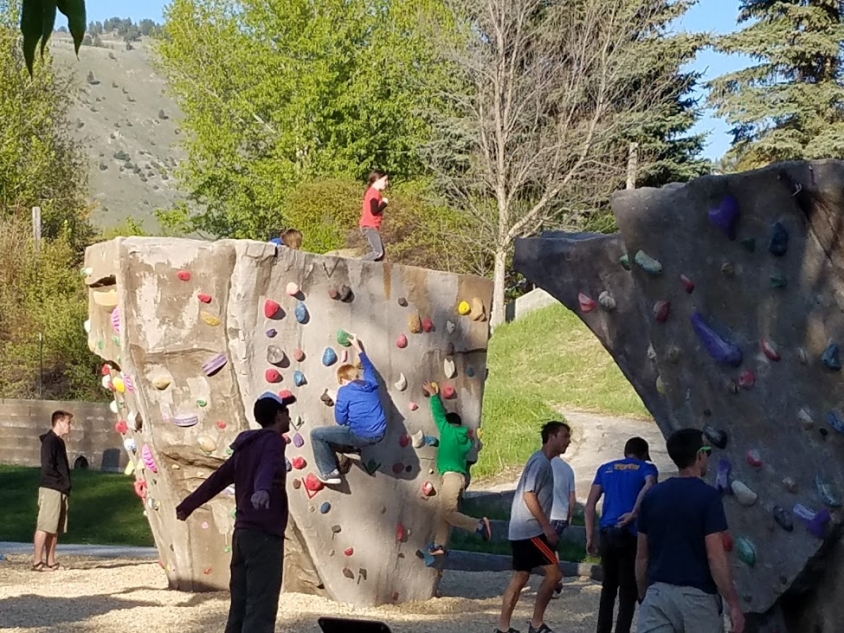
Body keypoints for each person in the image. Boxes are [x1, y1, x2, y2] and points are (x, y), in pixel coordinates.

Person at [176, 391, 294, 633]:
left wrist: (188, 504)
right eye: (286, 412)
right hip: (264, 532)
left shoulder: (245, 447)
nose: (289, 417)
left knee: (239, 602)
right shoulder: (273, 441)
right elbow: (268, 466)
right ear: (278, 415)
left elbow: (217, 479)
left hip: (242, 534)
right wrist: (262, 490)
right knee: (261, 605)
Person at [636, 429, 744, 633]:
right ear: (699, 455)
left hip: (657, 593)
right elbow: (715, 557)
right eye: (707, 451)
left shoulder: (652, 496)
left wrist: (644, 594)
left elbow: (641, 556)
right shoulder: (708, 497)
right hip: (698, 597)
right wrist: (734, 604)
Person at [496, 421, 571, 633]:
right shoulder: (541, 463)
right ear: (552, 436)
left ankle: (503, 628)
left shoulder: (540, 461)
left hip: (520, 530)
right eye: (565, 436)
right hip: (531, 530)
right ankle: (536, 624)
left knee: (520, 577)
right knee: (554, 575)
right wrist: (547, 527)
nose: (568, 441)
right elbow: (529, 495)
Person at [584, 437, 658, 633]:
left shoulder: (605, 468)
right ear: (643, 454)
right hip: (631, 534)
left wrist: (590, 536)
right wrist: (634, 512)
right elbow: (650, 485)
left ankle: (602, 630)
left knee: (608, 587)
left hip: (607, 533)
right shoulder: (646, 468)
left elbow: (590, 505)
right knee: (628, 591)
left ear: (626, 452)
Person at [421, 381, 492, 558]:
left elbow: (438, 414)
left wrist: (433, 395)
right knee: (444, 512)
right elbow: (476, 446)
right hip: (458, 477)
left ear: (450, 424)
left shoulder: (447, 431)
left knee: (448, 512)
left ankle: (478, 525)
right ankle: (439, 545)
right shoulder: (466, 440)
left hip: (452, 476)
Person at [311, 335, 386, 484]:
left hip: (362, 435)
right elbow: (368, 367)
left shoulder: (344, 392)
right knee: (353, 423)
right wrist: (358, 347)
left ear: (342, 380)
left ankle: (329, 472)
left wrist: (337, 398)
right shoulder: (370, 383)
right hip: (381, 432)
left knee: (317, 435)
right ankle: (352, 449)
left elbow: (340, 420)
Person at [32, 410, 73, 572]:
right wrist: (59, 482)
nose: (70, 426)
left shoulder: (59, 442)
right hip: (51, 488)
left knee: (54, 527)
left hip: (61, 489)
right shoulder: (50, 441)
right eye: (68, 422)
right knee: (44, 526)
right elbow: (47, 467)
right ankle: (37, 562)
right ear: (59, 422)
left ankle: (50, 561)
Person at [549, 442, 576, 598]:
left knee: (544, 551)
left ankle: (554, 579)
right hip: (561, 515)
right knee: (552, 549)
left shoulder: (543, 464)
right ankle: (555, 580)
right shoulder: (568, 469)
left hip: (547, 515)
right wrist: (569, 516)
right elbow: (572, 497)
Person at [359, 170, 389, 261]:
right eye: (385, 180)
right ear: (377, 180)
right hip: (369, 226)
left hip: (370, 226)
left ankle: (369, 272)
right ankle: (356, 263)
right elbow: (374, 211)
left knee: (380, 255)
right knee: (378, 252)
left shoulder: (373, 192)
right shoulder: (373, 192)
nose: (387, 183)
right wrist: (384, 203)